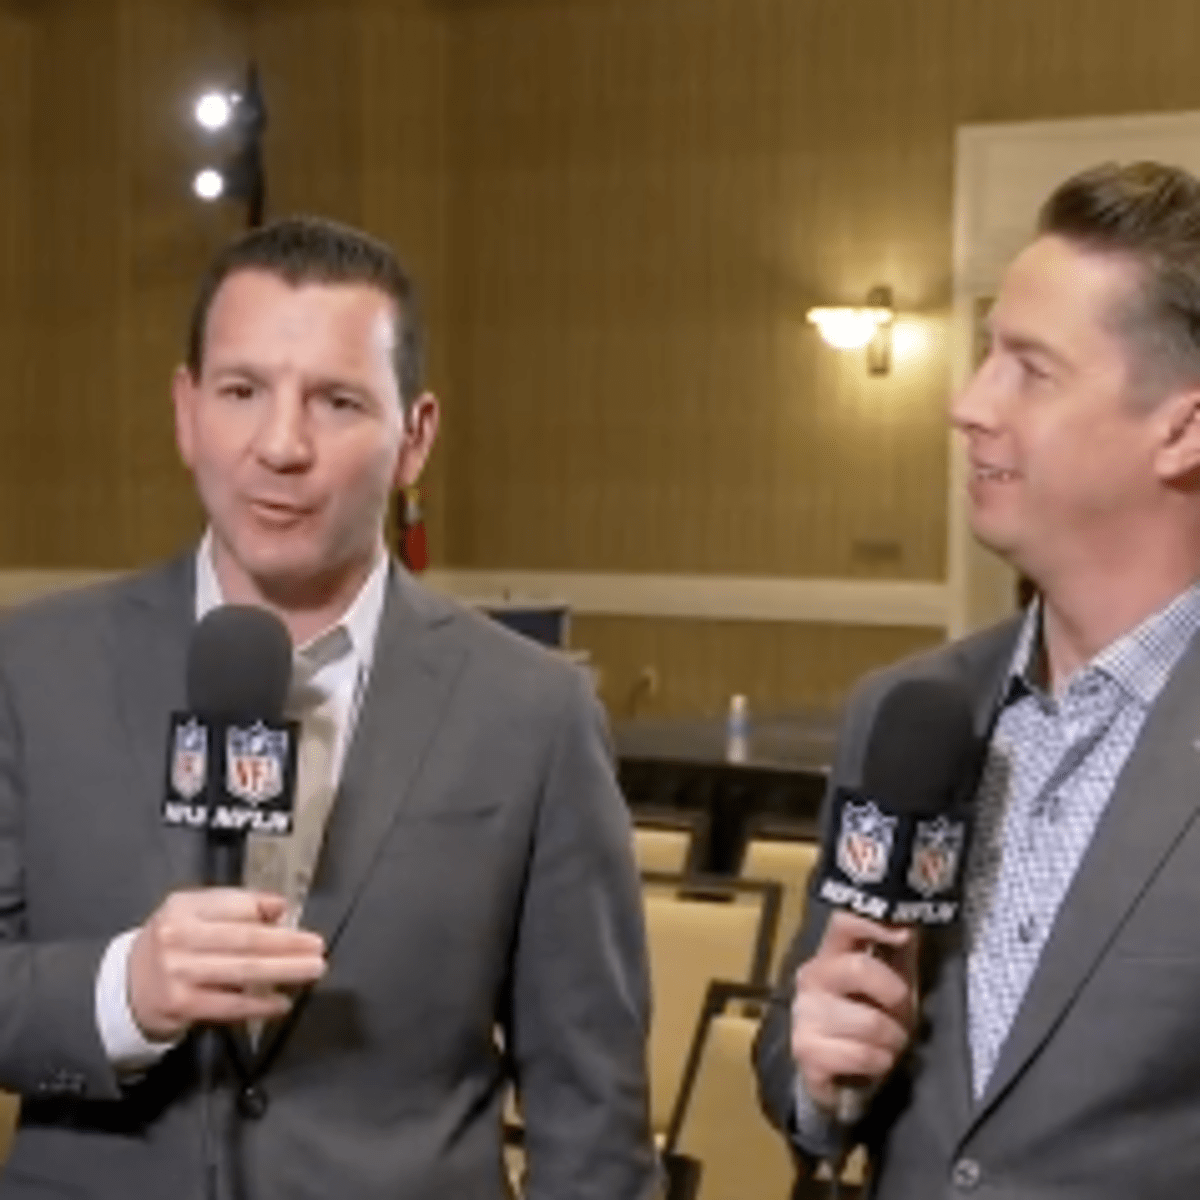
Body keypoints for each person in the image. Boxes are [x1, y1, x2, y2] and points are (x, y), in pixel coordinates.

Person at [0, 216, 656, 1199]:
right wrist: (122, 992)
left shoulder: (534, 712)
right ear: (186, 412)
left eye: (337, 400)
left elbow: (589, 1108)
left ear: (414, 438)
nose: (281, 444)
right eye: (241, 390)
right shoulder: (32, 664)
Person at [755, 160, 1200, 1199]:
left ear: (1182, 428)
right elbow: (804, 1070)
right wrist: (820, 1074)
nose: (967, 404)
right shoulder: (910, 716)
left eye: (1030, 370)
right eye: (985, 354)